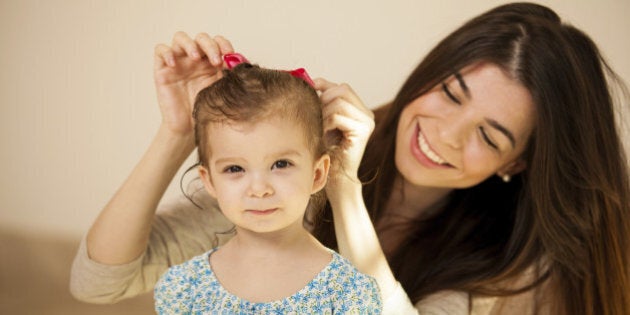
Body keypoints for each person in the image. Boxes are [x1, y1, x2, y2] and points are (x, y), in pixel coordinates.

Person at [70, 2, 630, 314]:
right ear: (430, 72)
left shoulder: (507, 272)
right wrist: (178, 131)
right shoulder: (280, 170)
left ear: (518, 163)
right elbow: (97, 283)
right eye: (452, 94)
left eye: (490, 135)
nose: (447, 136)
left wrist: (343, 187)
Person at [152, 55, 381, 313]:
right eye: (235, 169)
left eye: (281, 164)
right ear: (210, 181)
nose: (259, 189)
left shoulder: (348, 294)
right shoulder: (183, 288)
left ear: (317, 174)